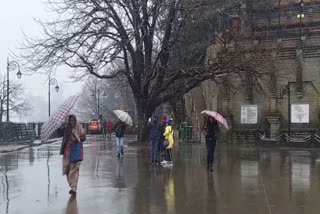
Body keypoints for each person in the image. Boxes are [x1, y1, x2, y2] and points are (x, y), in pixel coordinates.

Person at [60, 114, 86, 195]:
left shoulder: (79, 127)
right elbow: (59, 133)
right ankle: (72, 186)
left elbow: (84, 138)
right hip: (67, 152)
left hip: (76, 151)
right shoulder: (66, 127)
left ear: (75, 120)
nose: (71, 122)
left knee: (74, 169)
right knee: (67, 170)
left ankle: (74, 188)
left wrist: (76, 138)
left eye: (73, 120)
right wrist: (62, 127)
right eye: (70, 120)